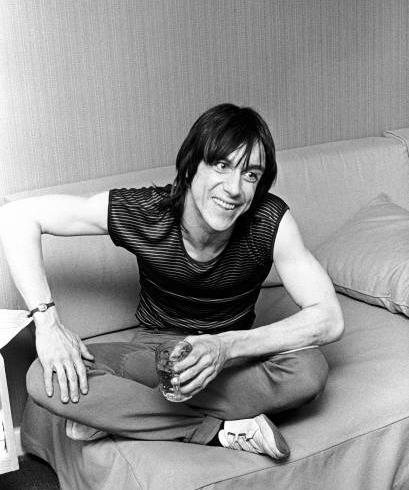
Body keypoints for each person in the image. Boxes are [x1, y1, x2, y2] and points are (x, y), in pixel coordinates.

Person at [0, 103, 343, 460]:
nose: (234, 188)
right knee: (46, 375)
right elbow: (16, 217)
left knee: (308, 370)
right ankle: (217, 431)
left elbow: (329, 319)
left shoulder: (269, 220)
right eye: (222, 166)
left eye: (251, 175)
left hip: (229, 359)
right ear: (192, 165)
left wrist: (224, 347)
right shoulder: (148, 212)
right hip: (153, 357)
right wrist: (47, 323)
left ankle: (126, 414)